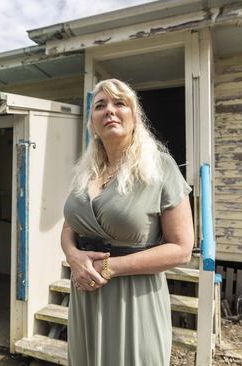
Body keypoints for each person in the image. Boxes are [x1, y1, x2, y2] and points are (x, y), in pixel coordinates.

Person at [61, 78, 194, 365]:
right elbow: (69, 227)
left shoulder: (160, 167)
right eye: (100, 106)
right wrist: (73, 256)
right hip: (85, 296)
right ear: (92, 124)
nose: (109, 110)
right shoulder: (84, 173)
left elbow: (182, 249)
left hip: (133, 299)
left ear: (135, 116)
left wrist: (108, 267)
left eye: (119, 103)